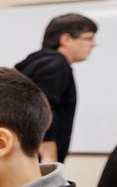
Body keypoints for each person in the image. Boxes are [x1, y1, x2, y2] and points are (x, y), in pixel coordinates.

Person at [14, 12, 98, 163]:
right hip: (39, 158)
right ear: (66, 39)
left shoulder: (40, 63)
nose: (93, 44)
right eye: (89, 38)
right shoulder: (55, 65)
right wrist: (49, 157)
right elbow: (44, 108)